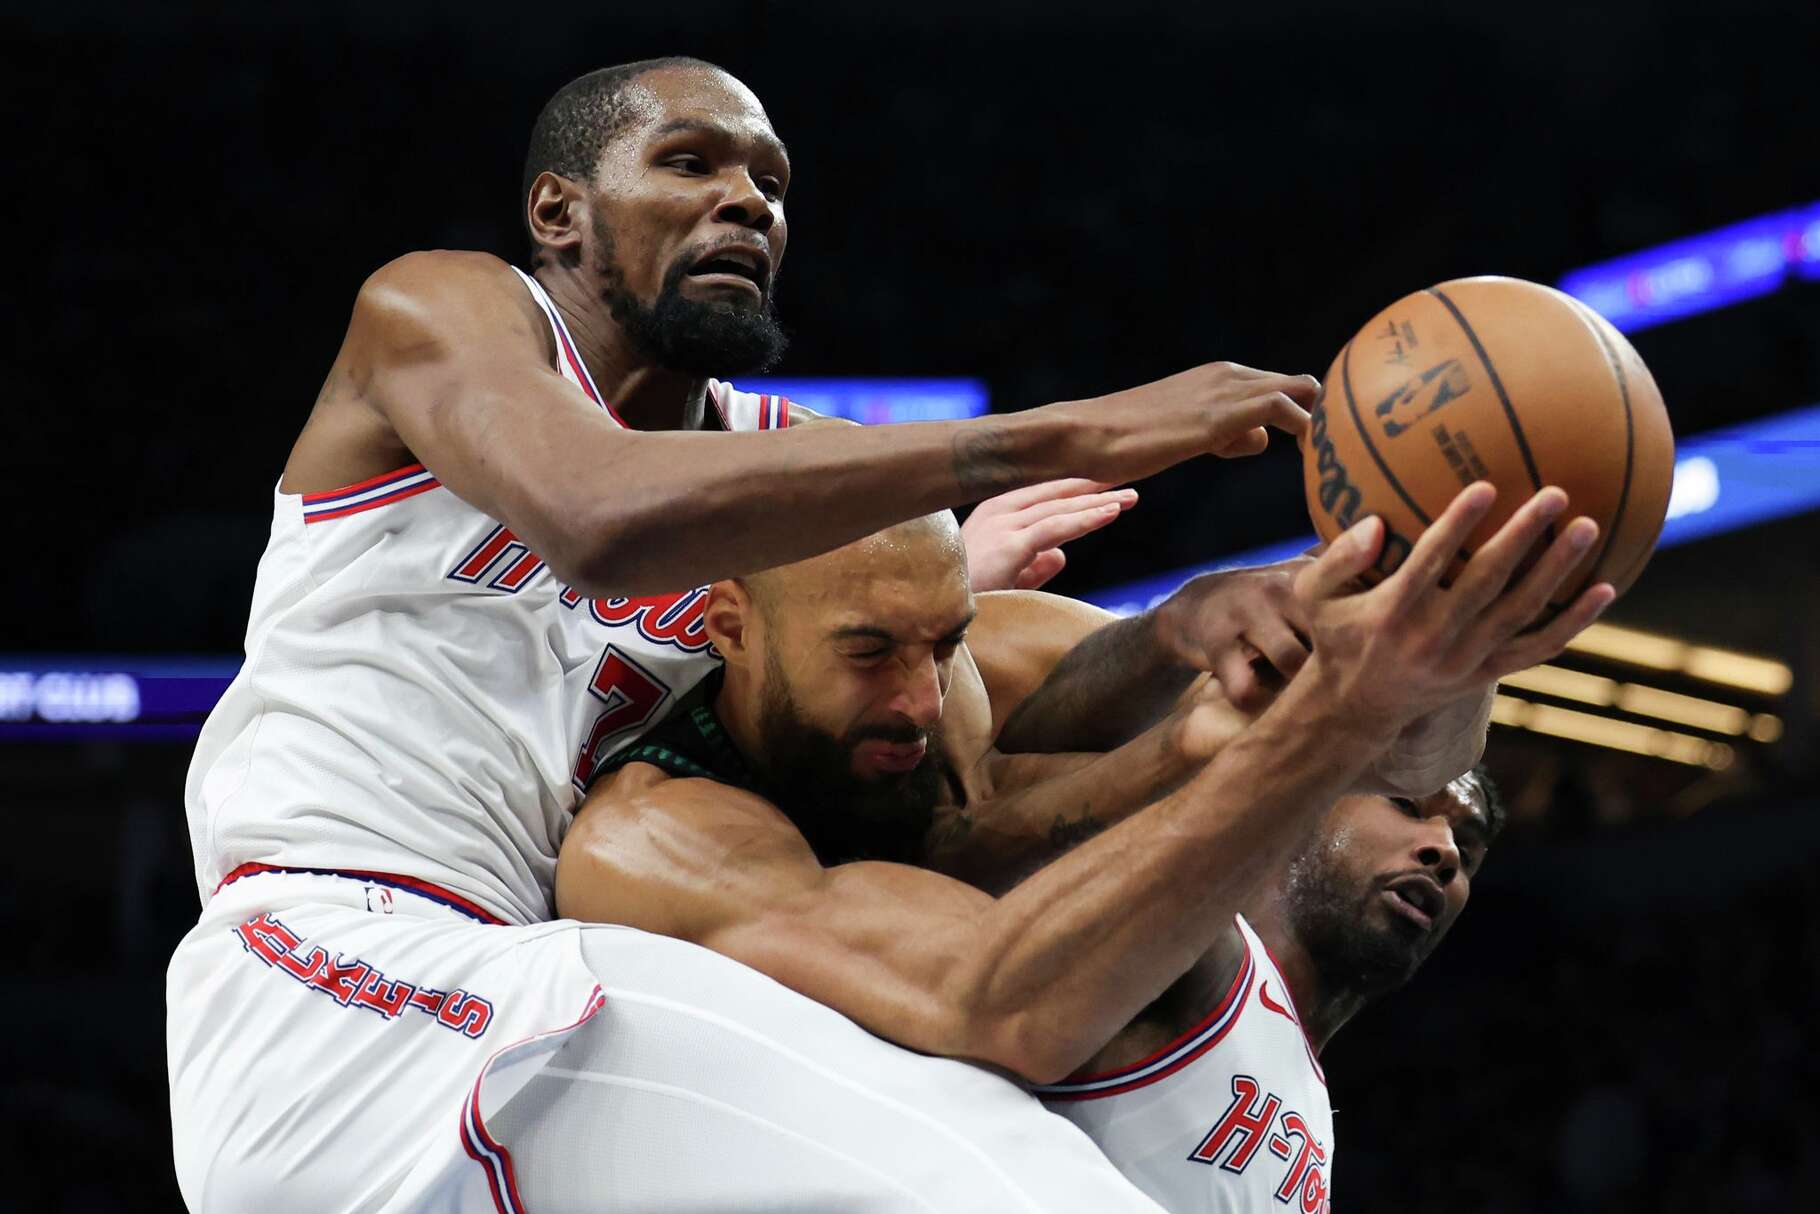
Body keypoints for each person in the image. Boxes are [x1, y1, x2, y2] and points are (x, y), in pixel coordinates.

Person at [167, 54, 1331, 1212]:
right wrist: (1075, 430)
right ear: (556, 210)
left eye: (770, 182)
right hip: (342, 978)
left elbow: (954, 772)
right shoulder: (444, 311)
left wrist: (953, 596)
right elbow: (596, 513)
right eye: (689, 162)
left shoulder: (788, 463)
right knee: (988, 1173)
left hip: (542, 988)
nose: (745, 201)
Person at [559, 485, 1605, 1207]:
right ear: (730, 624)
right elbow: (996, 999)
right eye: (870, 650)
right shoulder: (658, 835)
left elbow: (1408, 745)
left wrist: (1452, 582)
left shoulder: (968, 667)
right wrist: (1319, 720)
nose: (924, 695)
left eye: (946, 639)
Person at [1034, 772, 1501, 1213]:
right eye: (1406, 805)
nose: (1446, 851)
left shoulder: (1312, 1108)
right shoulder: (1200, 955)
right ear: (1309, 805)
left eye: (1468, 848)